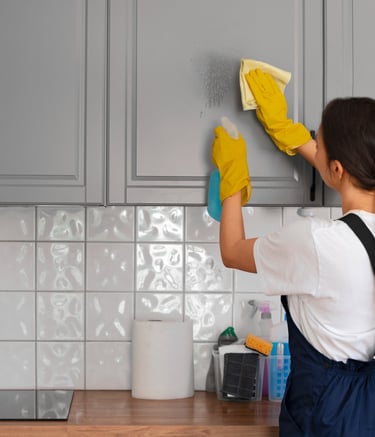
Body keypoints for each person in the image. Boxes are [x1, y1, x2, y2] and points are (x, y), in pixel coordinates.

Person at [211, 68, 375, 436]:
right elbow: (346, 172)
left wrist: (232, 176)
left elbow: (234, 252)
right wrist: (286, 129)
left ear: (336, 168)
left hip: (326, 412)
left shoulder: (317, 243)